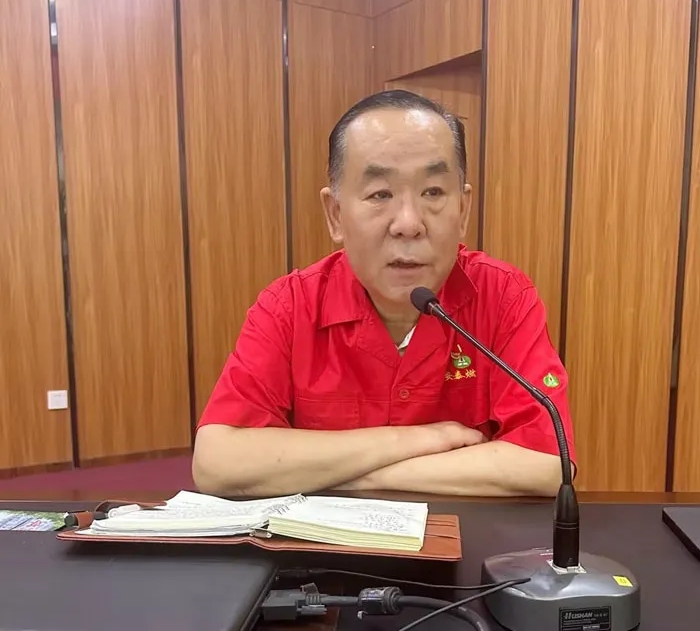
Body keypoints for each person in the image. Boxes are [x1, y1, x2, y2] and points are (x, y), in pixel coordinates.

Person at [192, 90, 575, 498]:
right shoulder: (290, 306)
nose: (408, 224)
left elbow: (549, 463)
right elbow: (218, 462)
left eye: (432, 192)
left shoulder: (502, 296)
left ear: (463, 210)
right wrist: (418, 439)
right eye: (380, 195)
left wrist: (349, 474)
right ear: (335, 214)